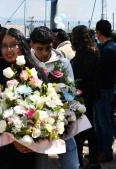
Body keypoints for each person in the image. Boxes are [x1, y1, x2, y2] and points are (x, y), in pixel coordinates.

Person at [0, 28, 46, 169]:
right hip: (5, 144)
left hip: (34, 142)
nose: (9, 49)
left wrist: (29, 138)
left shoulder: (36, 72)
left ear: (22, 46)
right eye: (4, 45)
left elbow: (45, 107)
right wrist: (15, 140)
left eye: (13, 44)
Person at [30, 26, 79, 169]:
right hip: (36, 122)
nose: (44, 53)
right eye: (40, 49)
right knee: (40, 161)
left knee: (70, 161)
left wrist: (66, 116)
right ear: (32, 45)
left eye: (48, 48)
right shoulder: (27, 63)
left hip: (61, 120)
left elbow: (71, 92)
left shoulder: (63, 63)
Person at [71, 25, 101, 169]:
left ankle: (82, 161)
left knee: (83, 129)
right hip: (89, 94)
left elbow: (83, 74)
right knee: (88, 128)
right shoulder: (91, 50)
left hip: (84, 95)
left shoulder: (86, 53)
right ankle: (92, 159)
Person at [94, 19, 116, 163]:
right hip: (108, 89)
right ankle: (102, 150)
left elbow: (99, 71)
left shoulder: (107, 50)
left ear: (99, 32)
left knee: (103, 122)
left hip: (104, 90)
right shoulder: (112, 47)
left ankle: (105, 152)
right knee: (103, 121)